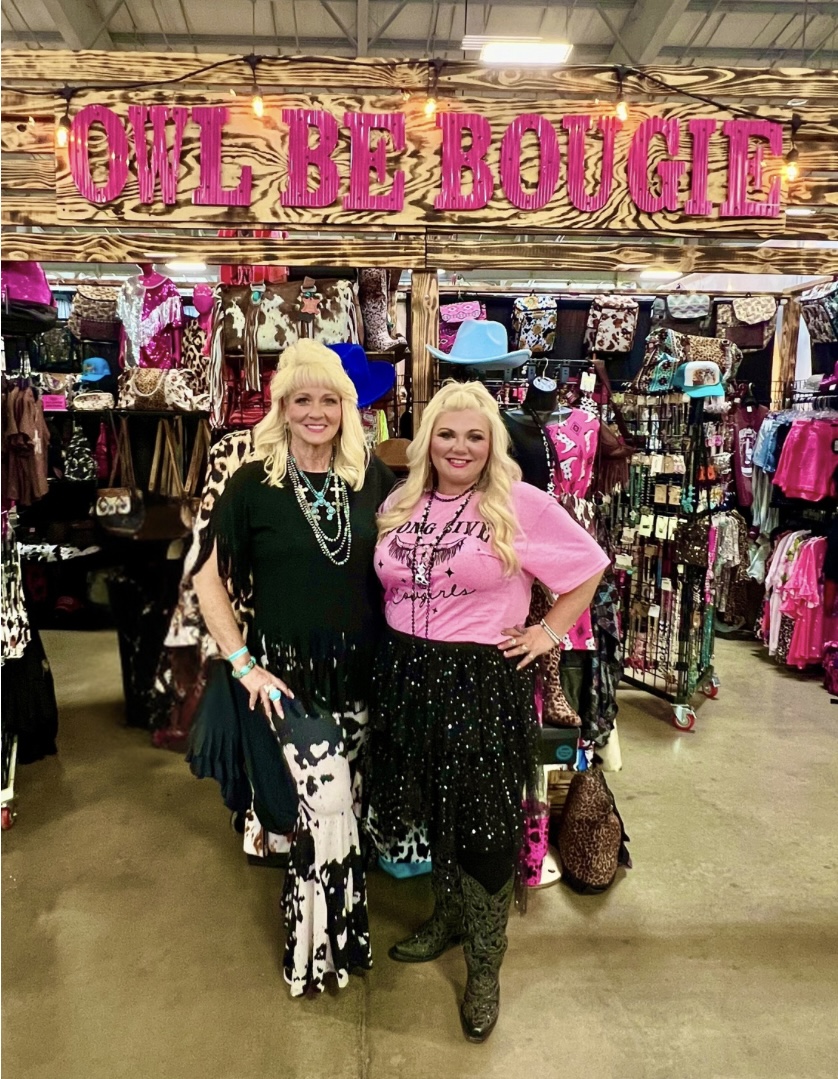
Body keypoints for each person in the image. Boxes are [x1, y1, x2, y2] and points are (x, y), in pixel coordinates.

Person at [369, 380, 610, 1042]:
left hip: (479, 680)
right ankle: (448, 918)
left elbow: (590, 564)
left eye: (475, 436)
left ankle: (484, 965)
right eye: (447, 434)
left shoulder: (520, 502)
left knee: (483, 824)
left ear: (492, 443)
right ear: (427, 441)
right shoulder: (400, 500)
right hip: (407, 675)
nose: (460, 447)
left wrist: (548, 632)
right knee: (433, 807)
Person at [192, 339, 397, 997]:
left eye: (328, 399)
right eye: (302, 399)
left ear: (347, 407)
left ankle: (345, 938)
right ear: (282, 406)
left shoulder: (370, 478)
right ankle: (311, 954)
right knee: (328, 804)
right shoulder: (253, 483)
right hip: (289, 681)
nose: (316, 412)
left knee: (342, 813)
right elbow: (205, 576)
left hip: (361, 675)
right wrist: (243, 663)